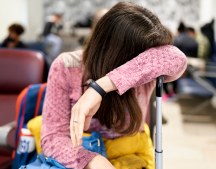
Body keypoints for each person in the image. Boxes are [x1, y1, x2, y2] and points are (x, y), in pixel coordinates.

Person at [40, 2, 187, 169]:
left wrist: (100, 87)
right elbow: (52, 138)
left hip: (129, 155)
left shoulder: (146, 70)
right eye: (142, 55)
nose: (145, 60)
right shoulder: (67, 66)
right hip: (80, 157)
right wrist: (92, 161)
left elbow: (177, 59)